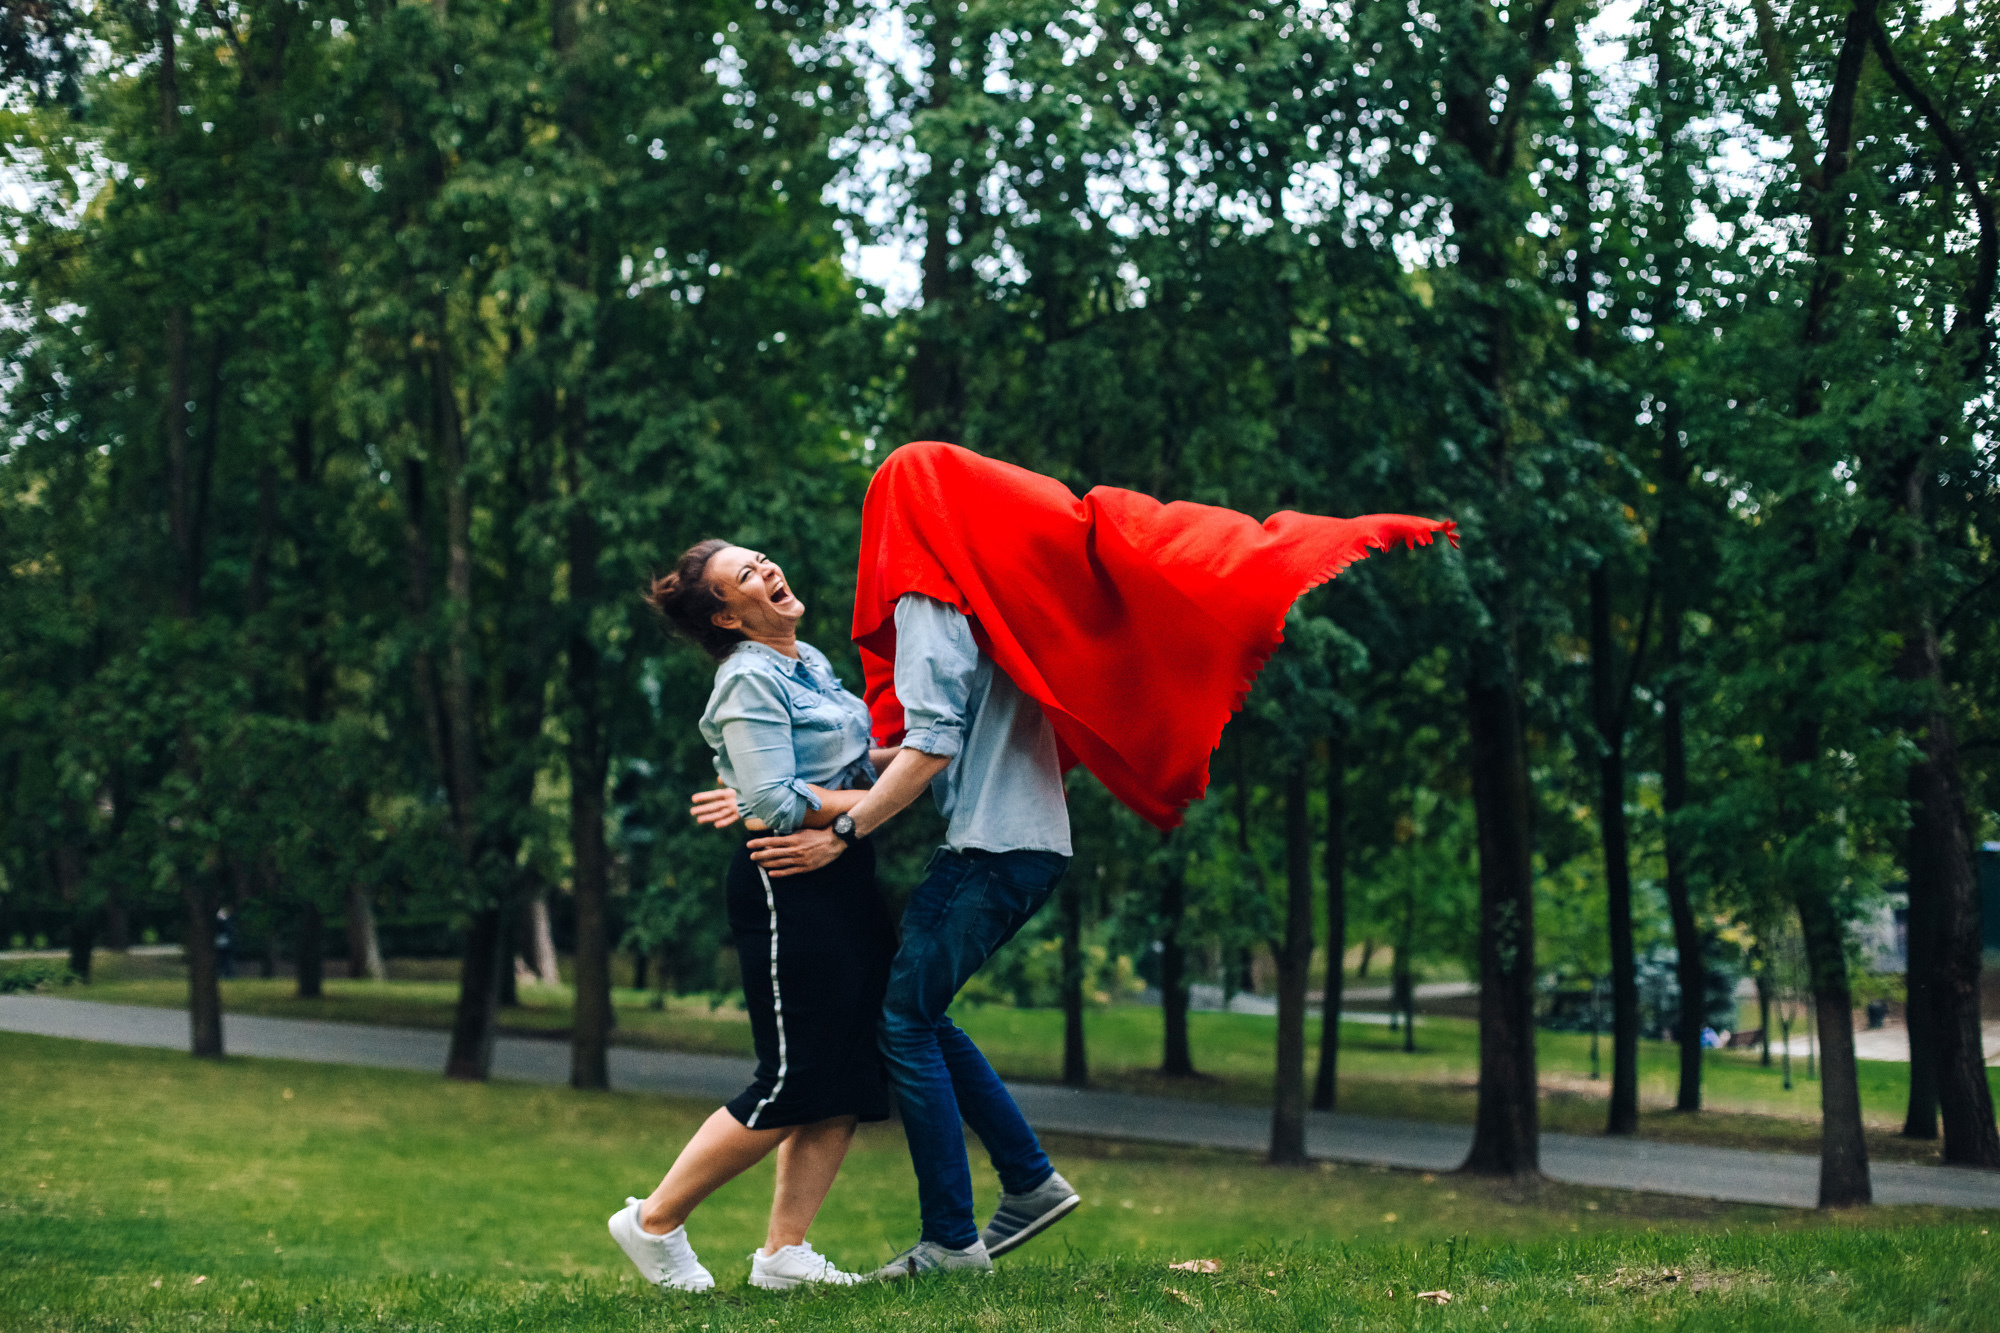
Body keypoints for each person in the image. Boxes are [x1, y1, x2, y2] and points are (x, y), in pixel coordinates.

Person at [746, 602, 1084, 1279]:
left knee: (903, 1021)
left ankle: (953, 1239)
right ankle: (1029, 1180)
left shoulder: (930, 604)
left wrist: (842, 833)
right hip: (1021, 842)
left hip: (991, 849)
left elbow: (931, 746)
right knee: (914, 1014)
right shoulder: (983, 600)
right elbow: (919, 748)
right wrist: (767, 789)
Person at [607, 540, 897, 1293]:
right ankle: (654, 1220)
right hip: (786, 882)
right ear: (728, 617)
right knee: (793, 1077)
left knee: (849, 1074)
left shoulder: (809, 662)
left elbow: (842, 766)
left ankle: (784, 1255)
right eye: (745, 575)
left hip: (844, 869)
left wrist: (916, 762)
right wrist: (886, 797)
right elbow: (771, 801)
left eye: (761, 559)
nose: (766, 570)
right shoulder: (746, 678)